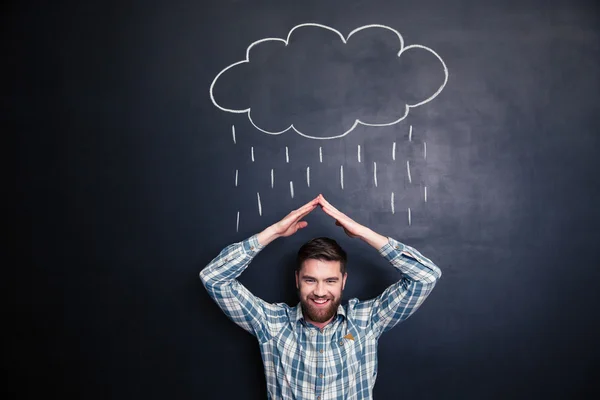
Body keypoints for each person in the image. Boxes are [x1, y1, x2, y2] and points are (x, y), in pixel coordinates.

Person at [200, 194, 441, 400]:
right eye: (310, 280)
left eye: (330, 281)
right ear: (297, 280)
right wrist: (273, 232)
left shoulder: (367, 321)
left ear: (343, 281)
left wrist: (364, 234)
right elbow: (214, 278)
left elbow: (426, 277)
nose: (320, 292)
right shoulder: (271, 323)